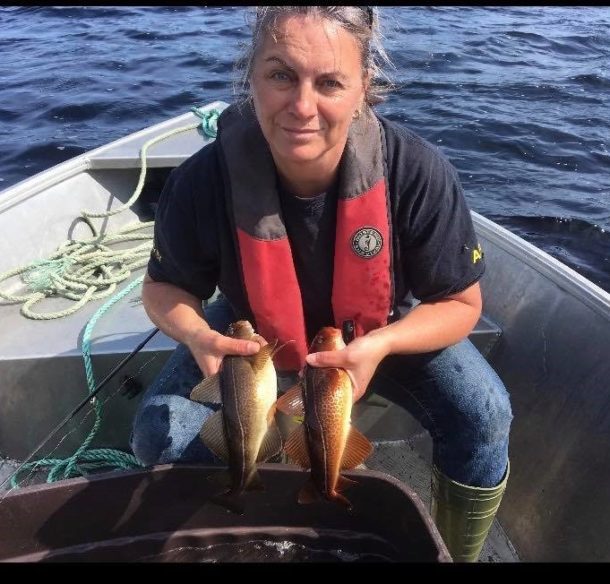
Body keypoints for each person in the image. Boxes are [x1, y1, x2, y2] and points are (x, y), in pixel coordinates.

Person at [130, 6, 512, 562]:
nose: (302, 106)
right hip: (252, 341)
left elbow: (459, 302)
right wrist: (196, 335)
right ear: (251, 78)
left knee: (484, 414)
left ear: (363, 89)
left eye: (329, 82)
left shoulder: (417, 172)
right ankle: (245, 528)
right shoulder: (203, 179)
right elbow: (163, 291)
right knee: (158, 432)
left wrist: (378, 346)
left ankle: (455, 551)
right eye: (281, 74)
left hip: (377, 333)